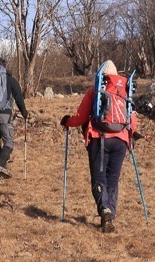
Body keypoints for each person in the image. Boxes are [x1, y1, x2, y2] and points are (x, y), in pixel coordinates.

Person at [60, 60, 140, 233]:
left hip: (99, 139)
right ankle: (110, 213)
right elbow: (132, 120)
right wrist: (130, 135)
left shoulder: (95, 91)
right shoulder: (125, 91)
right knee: (112, 179)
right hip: (121, 141)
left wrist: (67, 121)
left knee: (99, 178)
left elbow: (81, 117)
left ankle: (105, 211)